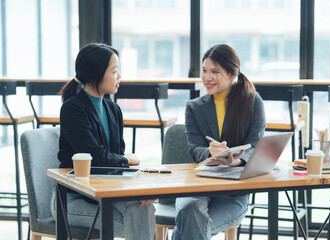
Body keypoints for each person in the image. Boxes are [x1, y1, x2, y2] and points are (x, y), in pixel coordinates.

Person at [50, 43, 155, 240]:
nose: (120, 77)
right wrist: (126, 159)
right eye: (115, 71)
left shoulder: (113, 110)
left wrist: (138, 190)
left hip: (104, 194)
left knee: (143, 206)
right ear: (96, 73)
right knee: (137, 214)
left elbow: (115, 163)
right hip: (72, 199)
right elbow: (95, 157)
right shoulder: (73, 109)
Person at [172, 44, 266, 240]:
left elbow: (256, 145)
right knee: (189, 210)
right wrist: (209, 152)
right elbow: (194, 148)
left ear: (232, 74)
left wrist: (237, 161)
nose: (207, 77)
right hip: (197, 185)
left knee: (187, 227)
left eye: (215, 71)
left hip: (233, 192)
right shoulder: (194, 107)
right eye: (204, 71)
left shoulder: (252, 102)